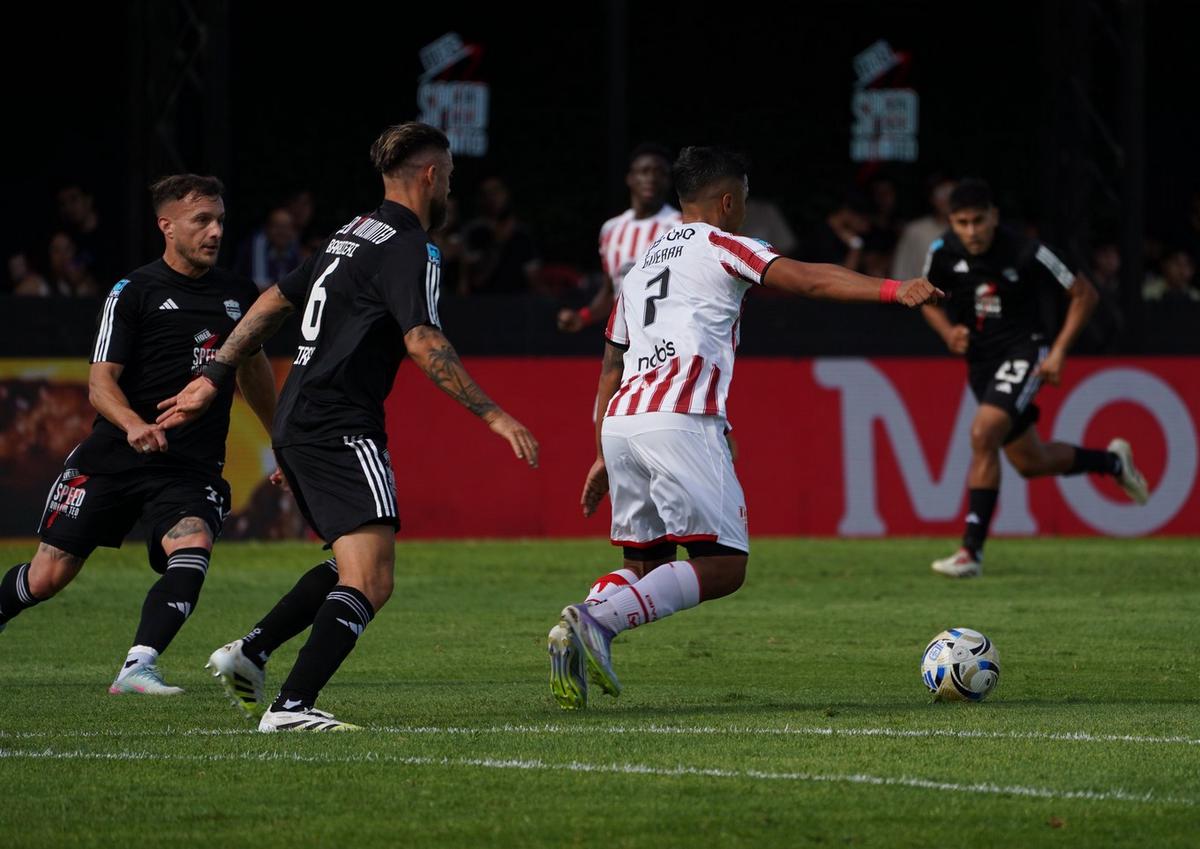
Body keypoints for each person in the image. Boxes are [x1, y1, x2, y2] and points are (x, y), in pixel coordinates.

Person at [158, 122, 539, 732]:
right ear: (431, 176)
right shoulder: (413, 247)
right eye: (450, 177)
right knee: (372, 578)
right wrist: (493, 414)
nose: (450, 190)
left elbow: (271, 301)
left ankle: (251, 652)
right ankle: (292, 706)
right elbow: (423, 339)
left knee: (351, 562)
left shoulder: (350, 234)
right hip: (340, 422)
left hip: (301, 417)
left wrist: (216, 371)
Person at [546, 146, 942, 710]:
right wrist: (892, 289)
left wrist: (602, 454)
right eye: (746, 200)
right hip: (680, 419)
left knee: (645, 567)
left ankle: (577, 625)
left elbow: (611, 366)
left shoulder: (640, 267)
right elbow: (807, 280)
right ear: (729, 201)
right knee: (724, 565)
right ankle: (597, 622)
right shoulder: (722, 243)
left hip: (622, 423)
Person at [0, 174, 277, 696]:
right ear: (166, 226)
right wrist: (134, 426)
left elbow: (253, 371)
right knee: (47, 577)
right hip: (114, 455)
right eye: (202, 220)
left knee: (192, 543)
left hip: (189, 465)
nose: (216, 231)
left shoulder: (240, 295)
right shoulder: (133, 292)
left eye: (220, 220)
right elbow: (100, 384)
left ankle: (137, 666)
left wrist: (280, 439)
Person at [920, 179, 1148, 578]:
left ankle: (970, 552)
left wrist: (1058, 351)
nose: (971, 231)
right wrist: (947, 331)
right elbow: (924, 297)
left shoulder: (1027, 250)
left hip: (1026, 350)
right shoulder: (943, 251)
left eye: (978, 221)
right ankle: (1113, 462)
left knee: (983, 433)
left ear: (994, 216)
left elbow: (1084, 294)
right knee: (1031, 461)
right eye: (962, 223)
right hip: (981, 361)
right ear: (951, 222)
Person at [557, 143, 680, 333]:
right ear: (630, 178)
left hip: (665, 338)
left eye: (659, 172)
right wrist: (582, 317)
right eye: (644, 171)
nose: (651, 178)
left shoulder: (680, 227)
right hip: (620, 339)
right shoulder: (611, 229)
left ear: (668, 180)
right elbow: (611, 291)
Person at [892, 175, 955, 280]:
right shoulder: (916, 230)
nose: (947, 199)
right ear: (932, 198)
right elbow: (901, 269)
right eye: (942, 194)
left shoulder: (970, 230)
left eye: (952, 193)